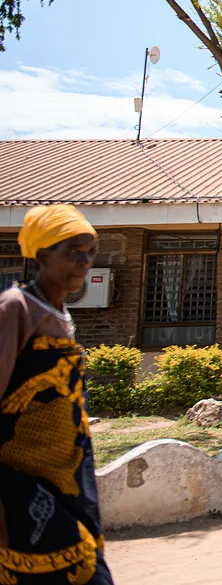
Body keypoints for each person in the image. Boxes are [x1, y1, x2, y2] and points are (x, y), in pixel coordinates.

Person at [0, 204, 114, 585]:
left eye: (89, 252)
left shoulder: (60, 315)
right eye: (73, 252)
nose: (84, 261)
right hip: (22, 481)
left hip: (67, 477)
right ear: (42, 253)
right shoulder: (14, 309)